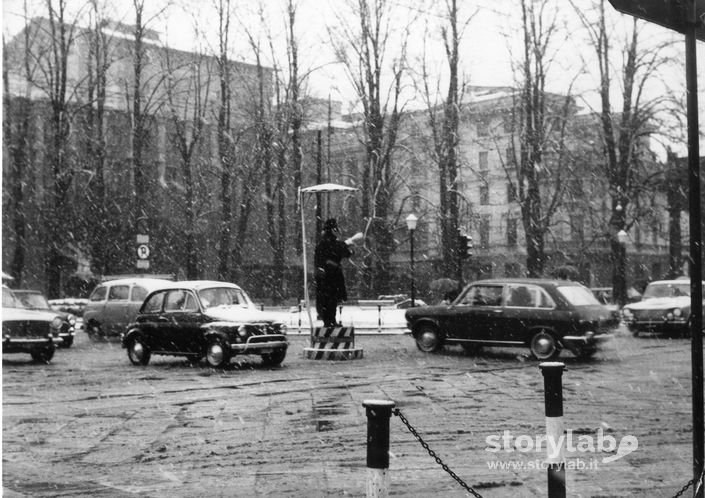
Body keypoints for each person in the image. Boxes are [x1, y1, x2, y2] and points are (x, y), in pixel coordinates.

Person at [314, 218, 355, 327]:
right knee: (332, 300)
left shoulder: (322, 244)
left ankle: (329, 321)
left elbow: (342, 251)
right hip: (332, 276)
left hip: (326, 277)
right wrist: (348, 246)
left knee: (328, 300)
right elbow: (344, 252)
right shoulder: (331, 244)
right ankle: (330, 320)